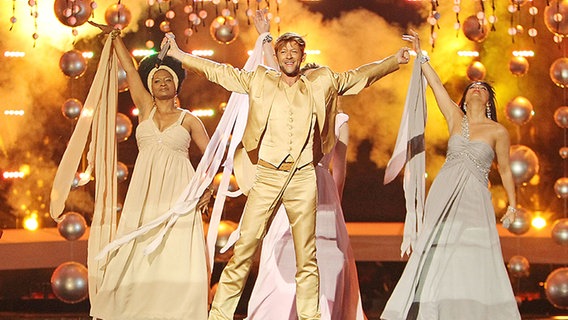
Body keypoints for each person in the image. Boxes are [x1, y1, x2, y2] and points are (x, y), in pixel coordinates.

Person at [163, 30, 410, 320]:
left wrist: (394, 60)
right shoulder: (259, 80)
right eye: (284, 52)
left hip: (303, 176)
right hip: (268, 174)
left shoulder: (322, 82)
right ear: (277, 57)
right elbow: (218, 71)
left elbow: (359, 76)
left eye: (295, 51)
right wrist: (179, 55)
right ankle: (219, 314)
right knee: (244, 248)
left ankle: (310, 317)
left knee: (307, 257)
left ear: (303, 57)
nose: (289, 56)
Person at [380, 30, 521, 320]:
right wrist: (422, 54)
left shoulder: (498, 131)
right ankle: (434, 308)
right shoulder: (456, 118)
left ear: (489, 101)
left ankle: (470, 309)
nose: (477, 88)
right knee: (439, 245)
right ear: (465, 100)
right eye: (473, 87)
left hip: (475, 195)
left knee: (472, 250)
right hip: (444, 189)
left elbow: (505, 169)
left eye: (483, 88)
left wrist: (512, 205)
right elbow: (434, 85)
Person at [86, 22, 212, 320]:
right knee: (137, 246)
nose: (163, 83)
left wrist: (206, 188)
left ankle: (178, 311)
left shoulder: (190, 120)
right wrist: (115, 36)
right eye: (157, 80)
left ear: (177, 85)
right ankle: (132, 308)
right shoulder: (145, 109)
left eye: (168, 79)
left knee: (175, 250)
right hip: (145, 192)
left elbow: (211, 156)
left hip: (179, 192)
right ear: (151, 86)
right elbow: (130, 71)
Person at [247, 94, 367, 320]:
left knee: (322, 258)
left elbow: (339, 169)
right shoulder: (288, 114)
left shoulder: (339, 121)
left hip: (322, 190)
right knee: (282, 252)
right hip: (291, 185)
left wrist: (335, 205)